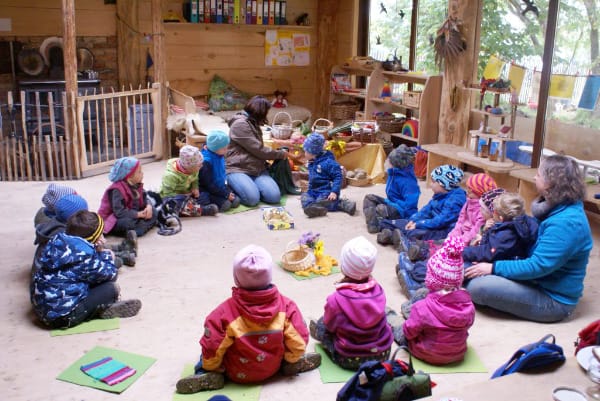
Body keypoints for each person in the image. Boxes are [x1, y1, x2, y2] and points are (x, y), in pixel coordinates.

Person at [176, 245, 321, 394]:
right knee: (290, 343)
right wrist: (291, 358)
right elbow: (299, 342)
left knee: (208, 351)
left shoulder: (223, 313)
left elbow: (213, 346)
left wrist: (212, 367)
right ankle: (290, 364)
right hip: (272, 369)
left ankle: (207, 374)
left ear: (236, 278)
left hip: (237, 374)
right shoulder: (287, 307)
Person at [464, 155, 593, 322]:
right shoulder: (555, 206)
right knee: (470, 263)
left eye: (538, 175)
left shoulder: (566, 223)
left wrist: (493, 268)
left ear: (551, 183)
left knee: (478, 287)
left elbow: (538, 266)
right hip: (535, 280)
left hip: (552, 299)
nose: (534, 177)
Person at [30, 210, 142, 329]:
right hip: (60, 318)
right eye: (101, 235)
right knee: (111, 288)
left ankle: (99, 308)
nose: (104, 240)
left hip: (41, 309)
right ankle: (98, 311)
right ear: (93, 239)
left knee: (87, 278)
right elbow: (111, 275)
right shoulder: (84, 258)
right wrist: (108, 256)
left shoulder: (57, 241)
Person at [309, 236, 396, 370]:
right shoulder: (379, 291)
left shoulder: (335, 300)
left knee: (322, 325)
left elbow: (330, 327)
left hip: (349, 358)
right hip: (382, 354)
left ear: (344, 267)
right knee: (384, 314)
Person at [397, 236, 475, 365]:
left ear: (431, 277)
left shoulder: (423, 307)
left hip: (427, 353)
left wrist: (408, 325)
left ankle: (395, 314)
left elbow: (408, 333)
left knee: (399, 327)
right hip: (457, 353)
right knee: (422, 298)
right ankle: (409, 311)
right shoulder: (469, 306)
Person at [404, 173, 497, 262]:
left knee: (443, 250)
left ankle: (422, 253)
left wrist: (458, 241)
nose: (468, 192)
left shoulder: (482, 211)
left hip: (465, 241)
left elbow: (474, 232)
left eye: (471, 190)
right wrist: (453, 236)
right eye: (468, 188)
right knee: (440, 242)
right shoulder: (469, 201)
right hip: (457, 235)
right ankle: (419, 247)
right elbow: (460, 221)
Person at [225, 96, 293, 207]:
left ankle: (250, 186)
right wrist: (281, 154)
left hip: (257, 169)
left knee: (274, 197)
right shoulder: (240, 125)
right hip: (238, 168)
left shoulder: (252, 122)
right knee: (252, 199)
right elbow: (259, 150)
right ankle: (233, 187)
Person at [377, 164, 466, 246]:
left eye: (433, 182)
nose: (431, 185)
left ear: (443, 184)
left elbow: (440, 222)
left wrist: (418, 224)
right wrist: (413, 220)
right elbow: (426, 209)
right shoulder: (441, 194)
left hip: (442, 230)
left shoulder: (455, 201)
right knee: (387, 223)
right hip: (429, 222)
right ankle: (394, 236)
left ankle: (394, 237)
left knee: (413, 234)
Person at [462, 192, 538, 265]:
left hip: (500, 264)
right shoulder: (517, 224)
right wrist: (484, 236)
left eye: (494, 211)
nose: (492, 213)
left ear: (501, 218)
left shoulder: (506, 235)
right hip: (497, 259)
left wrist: (462, 252)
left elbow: (487, 252)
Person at [363, 144, 420, 234]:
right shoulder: (393, 173)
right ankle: (374, 224)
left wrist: (410, 221)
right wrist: (389, 202)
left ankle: (384, 225)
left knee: (381, 209)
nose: (386, 161)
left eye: (389, 161)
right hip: (392, 203)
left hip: (401, 211)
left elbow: (409, 206)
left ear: (397, 164)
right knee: (369, 198)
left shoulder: (409, 183)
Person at [98, 156, 157, 239]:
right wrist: (138, 214)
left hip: (134, 213)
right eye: (139, 172)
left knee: (154, 211)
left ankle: (138, 228)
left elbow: (145, 198)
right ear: (129, 176)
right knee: (126, 223)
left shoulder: (136, 185)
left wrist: (148, 206)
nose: (142, 174)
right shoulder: (117, 190)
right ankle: (138, 230)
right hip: (116, 218)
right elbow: (119, 212)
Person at [300, 133, 356, 218]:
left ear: (314, 152)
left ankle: (342, 204)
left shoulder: (328, 163)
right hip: (314, 191)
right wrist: (309, 191)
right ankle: (313, 208)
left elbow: (338, 176)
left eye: (306, 151)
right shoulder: (312, 161)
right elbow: (312, 178)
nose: (304, 153)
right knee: (304, 197)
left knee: (324, 201)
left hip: (326, 191)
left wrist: (334, 192)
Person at [160, 145, 219, 217]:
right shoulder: (170, 176)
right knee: (174, 204)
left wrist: (195, 187)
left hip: (188, 195)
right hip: (173, 198)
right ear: (189, 167)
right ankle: (202, 210)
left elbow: (195, 179)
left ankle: (189, 208)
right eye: (199, 165)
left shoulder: (194, 170)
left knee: (204, 197)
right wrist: (183, 196)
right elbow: (167, 194)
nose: (202, 166)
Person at [197, 130, 240, 212]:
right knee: (226, 205)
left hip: (220, 186)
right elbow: (208, 185)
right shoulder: (206, 162)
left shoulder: (218, 154)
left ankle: (225, 197)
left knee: (236, 201)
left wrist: (226, 191)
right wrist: (225, 194)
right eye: (224, 148)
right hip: (208, 190)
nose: (226, 150)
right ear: (215, 148)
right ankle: (211, 204)